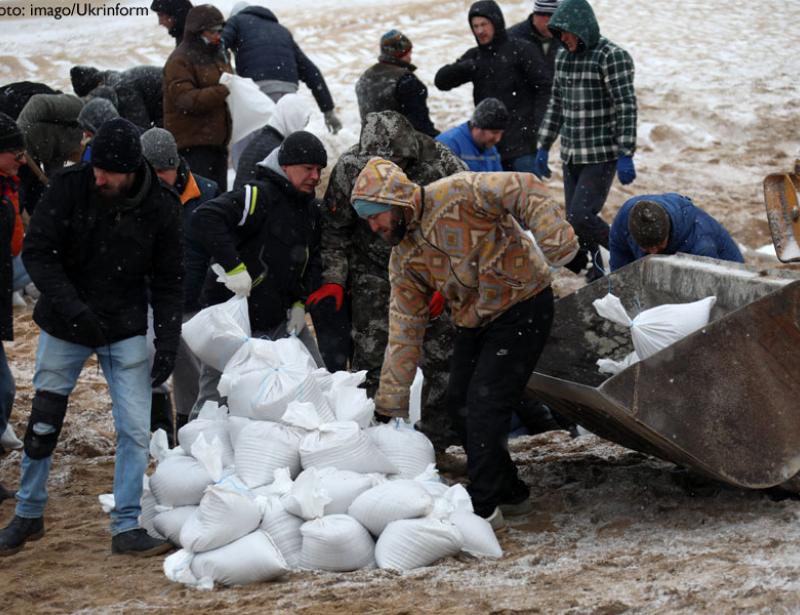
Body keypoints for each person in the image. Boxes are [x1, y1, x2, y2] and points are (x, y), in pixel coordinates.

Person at [350, 158, 579, 529]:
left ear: (398, 202)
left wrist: (557, 241)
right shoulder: (404, 259)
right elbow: (404, 331)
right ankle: (510, 493)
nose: (373, 226)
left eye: (376, 215)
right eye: (368, 220)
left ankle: (484, 506)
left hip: (522, 302)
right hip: (475, 321)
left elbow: (523, 185)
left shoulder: (458, 192)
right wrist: (389, 404)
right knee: (459, 405)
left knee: (486, 404)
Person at [0, 118, 183, 557]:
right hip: (66, 323)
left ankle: (125, 526)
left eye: (108, 172)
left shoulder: (160, 205)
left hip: (124, 328)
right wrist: (73, 308)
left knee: (135, 431)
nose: (99, 177)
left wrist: (169, 338)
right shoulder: (69, 186)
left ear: (131, 169)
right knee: (44, 421)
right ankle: (28, 513)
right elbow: (39, 254)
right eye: (95, 167)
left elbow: (169, 279)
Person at [316, 110, 466, 451]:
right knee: (374, 361)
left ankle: (435, 447)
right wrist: (334, 280)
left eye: (393, 160)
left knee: (443, 361)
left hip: (431, 272)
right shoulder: (351, 167)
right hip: (375, 274)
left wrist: (447, 281)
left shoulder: (442, 165)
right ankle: (370, 444)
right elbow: (334, 230)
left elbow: (466, 228)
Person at [190, 131, 327, 414]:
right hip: (232, 320)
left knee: (316, 381)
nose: (315, 176)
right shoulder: (257, 195)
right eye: (308, 169)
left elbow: (310, 260)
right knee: (216, 398)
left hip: (279, 318)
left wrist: (301, 302)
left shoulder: (311, 211)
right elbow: (206, 218)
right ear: (286, 166)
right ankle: (197, 451)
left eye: (319, 170)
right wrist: (234, 267)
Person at [533, 0, 637, 282]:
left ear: (581, 27)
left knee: (581, 216)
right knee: (575, 223)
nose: (562, 38)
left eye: (565, 32)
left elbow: (625, 105)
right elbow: (556, 104)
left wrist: (626, 152)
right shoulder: (564, 57)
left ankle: (627, 253)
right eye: (558, 32)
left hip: (601, 154)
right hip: (571, 154)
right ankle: (599, 271)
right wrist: (543, 145)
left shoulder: (611, 56)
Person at [141, 127, 218, 439]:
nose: (161, 177)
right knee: (148, 362)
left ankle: (188, 430)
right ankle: (158, 430)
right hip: (149, 297)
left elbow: (218, 245)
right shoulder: (136, 195)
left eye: (165, 170)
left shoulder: (207, 192)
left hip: (192, 298)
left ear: (177, 165)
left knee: (192, 371)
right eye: (153, 171)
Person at [434, 0, 550, 172]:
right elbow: (441, 82)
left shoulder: (521, 49)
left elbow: (545, 87)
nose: (480, 30)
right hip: (489, 147)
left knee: (526, 197)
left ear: (496, 23)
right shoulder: (475, 56)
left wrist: (538, 128)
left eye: (484, 24)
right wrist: (464, 67)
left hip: (523, 144)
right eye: (475, 26)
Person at [221, 4, 341, 135]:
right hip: (288, 91)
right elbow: (311, 71)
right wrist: (328, 111)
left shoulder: (237, 21)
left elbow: (219, 44)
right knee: (286, 143)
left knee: (256, 142)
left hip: (259, 89)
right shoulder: (282, 31)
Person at [163, 4, 232, 191]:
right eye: (213, 31)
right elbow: (185, 100)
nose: (218, 35)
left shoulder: (219, 55)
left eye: (221, 30)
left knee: (217, 202)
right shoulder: (179, 60)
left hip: (216, 145)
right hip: (193, 147)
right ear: (198, 32)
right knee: (200, 203)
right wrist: (223, 90)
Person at [609, 194, 744, 271]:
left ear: (669, 232)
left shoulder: (701, 245)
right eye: (646, 247)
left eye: (659, 244)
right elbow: (620, 255)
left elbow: (708, 293)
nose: (653, 252)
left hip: (727, 275)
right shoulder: (625, 218)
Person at [0, 113, 26, 505]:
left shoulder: (9, 186)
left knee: (3, 390)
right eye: (15, 152)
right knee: (2, 389)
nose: (22, 158)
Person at [355, 29, 438, 137]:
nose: (410, 56)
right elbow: (421, 127)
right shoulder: (406, 80)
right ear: (403, 53)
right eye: (409, 52)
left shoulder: (364, 78)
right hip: (402, 148)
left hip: (370, 146)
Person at [233, 93, 311, 190]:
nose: (302, 129)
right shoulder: (276, 151)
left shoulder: (260, 141)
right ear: (293, 118)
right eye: (302, 123)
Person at [508, 0, 560, 127]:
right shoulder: (510, 38)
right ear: (537, 15)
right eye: (549, 18)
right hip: (519, 116)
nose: (554, 25)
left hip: (556, 114)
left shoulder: (565, 37)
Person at [70, 65, 164, 130]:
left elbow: (142, 128)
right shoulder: (112, 79)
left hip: (170, 96)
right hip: (168, 95)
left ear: (99, 85)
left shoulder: (121, 89)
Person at [436, 98, 507, 172]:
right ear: (478, 127)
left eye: (501, 133)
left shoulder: (490, 147)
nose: (498, 139)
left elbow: (498, 176)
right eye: (494, 132)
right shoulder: (448, 144)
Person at [77, 97, 120, 162]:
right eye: (83, 128)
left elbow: (85, 165)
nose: (85, 135)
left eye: (88, 131)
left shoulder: (92, 148)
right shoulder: (91, 146)